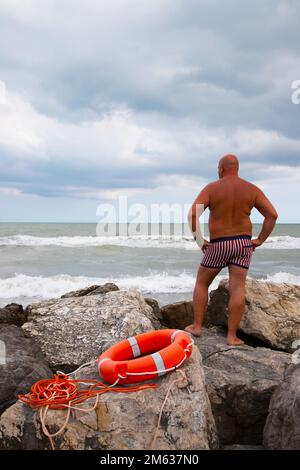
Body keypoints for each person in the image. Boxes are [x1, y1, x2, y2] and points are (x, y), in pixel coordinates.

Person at [185, 154, 278, 345]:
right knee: (238, 288)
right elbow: (272, 215)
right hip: (243, 244)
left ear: (221, 169)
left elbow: (193, 214)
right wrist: (260, 239)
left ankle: (197, 326)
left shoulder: (212, 188)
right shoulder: (252, 189)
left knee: (202, 283)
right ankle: (232, 336)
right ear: (237, 168)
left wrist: (200, 241)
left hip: (220, 244)